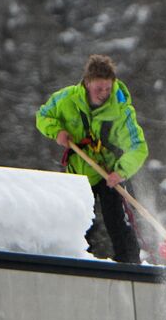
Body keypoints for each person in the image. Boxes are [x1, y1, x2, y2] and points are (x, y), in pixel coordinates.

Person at [35, 54, 149, 263]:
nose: (104, 93)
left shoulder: (121, 110)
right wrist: (57, 131)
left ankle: (130, 265)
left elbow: (138, 147)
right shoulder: (66, 98)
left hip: (110, 173)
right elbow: (42, 116)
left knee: (117, 221)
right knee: (78, 223)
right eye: (99, 88)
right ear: (87, 83)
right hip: (78, 175)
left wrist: (121, 171)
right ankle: (75, 262)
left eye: (107, 88)